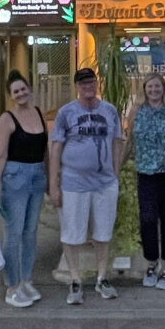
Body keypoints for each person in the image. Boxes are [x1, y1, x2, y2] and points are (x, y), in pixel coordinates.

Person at [49, 66, 125, 305]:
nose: (88, 87)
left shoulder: (110, 111)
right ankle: (75, 279)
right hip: (74, 182)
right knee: (72, 233)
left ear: (97, 83)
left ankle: (102, 277)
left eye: (91, 82)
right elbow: (56, 148)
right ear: (77, 87)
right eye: (83, 84)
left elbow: (117, 142)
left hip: (104, 183)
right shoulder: (66, 113)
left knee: (103, 232)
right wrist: (53, 183)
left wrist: (115, 172)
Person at [0, 70, 48, 308]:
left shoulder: (38, 113)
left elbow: (46, 151)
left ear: (30, 89)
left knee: (31, 232)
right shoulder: (7, 120)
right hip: (15, 178)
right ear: (10, 96)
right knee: (14, 233)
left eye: (23, 89)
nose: (21, 93)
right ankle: (12, 286)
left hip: (37, 177)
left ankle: (26, 280)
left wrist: (51, 181)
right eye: (16, 91)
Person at [126, 73, 165, 290]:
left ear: (164, 89)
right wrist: (118, 167)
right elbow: (129, 141)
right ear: (144, 89)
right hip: (145, 173)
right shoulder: (136, 112)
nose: (154, 90)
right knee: (148, 219)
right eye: (150, 87)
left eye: (157, 86)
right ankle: (151, 262)